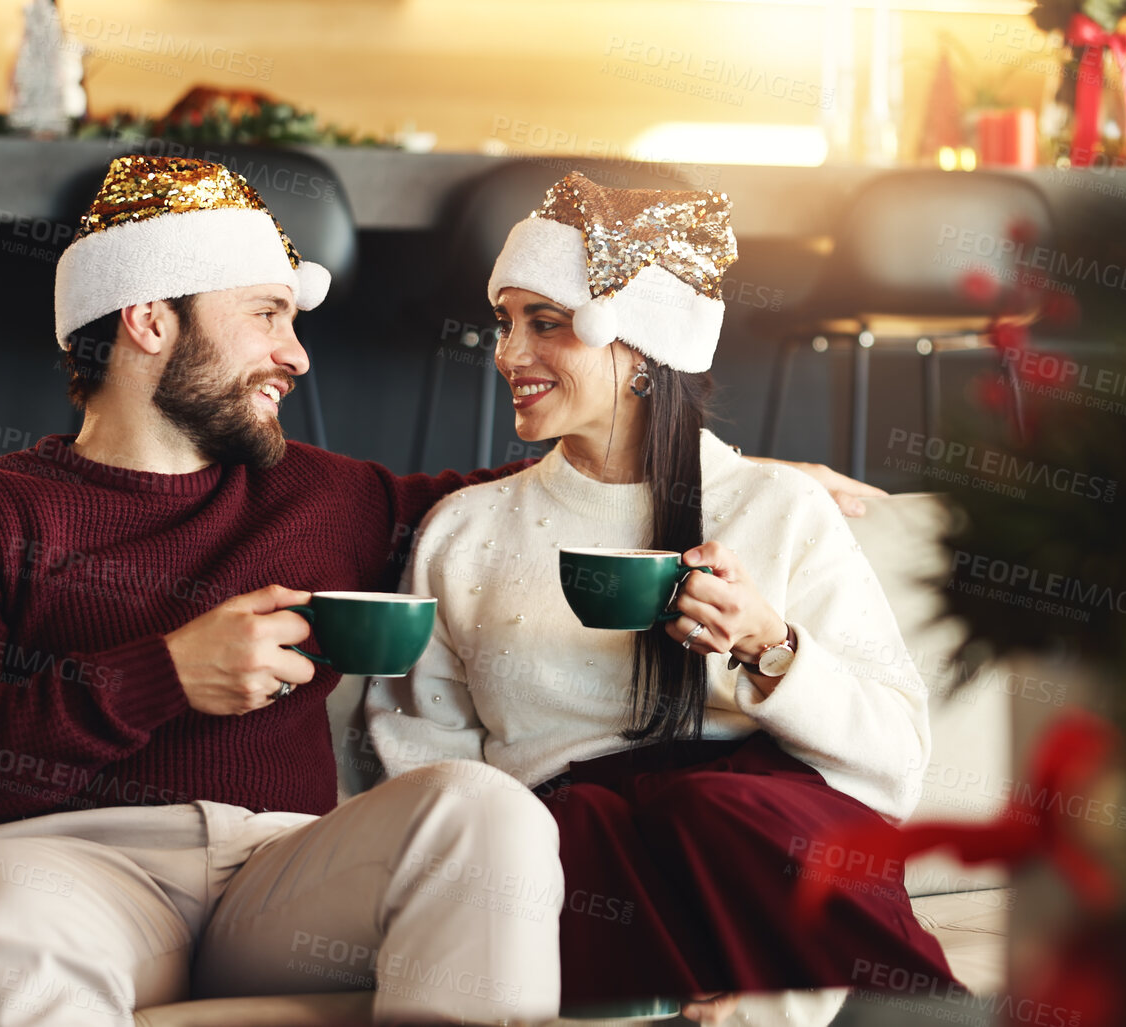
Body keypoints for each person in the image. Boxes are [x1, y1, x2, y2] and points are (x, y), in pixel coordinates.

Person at [0, 155, 570, 1026]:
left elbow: (538, 505)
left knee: (484, 811)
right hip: (61, 876)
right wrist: (164, 674)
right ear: (149, 319)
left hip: (281, 877)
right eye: (266, 313)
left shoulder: (332, 496)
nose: (294, 354)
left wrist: (634, 391)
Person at [365, 172, 956, 1014]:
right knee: (576, 828)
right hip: (570, 854)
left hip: (752, 831)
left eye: (545, 323)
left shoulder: (778, 509)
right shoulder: (465, 530)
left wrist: (769, 647)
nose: (506, 354)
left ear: (638, 346)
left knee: (714, 805)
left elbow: (895, 760)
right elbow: (423, 757)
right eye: (505, 323)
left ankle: (792, 1000)